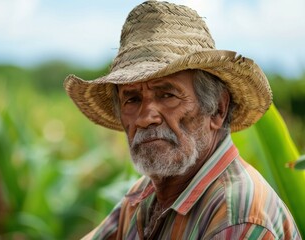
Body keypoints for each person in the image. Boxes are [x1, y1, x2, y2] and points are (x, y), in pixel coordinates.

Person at [64, 1, 301, 239]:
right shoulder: (146, 195)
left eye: (168, 95)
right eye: (132, 99)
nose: (146, 118)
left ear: (218, 109)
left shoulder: (236, 219)